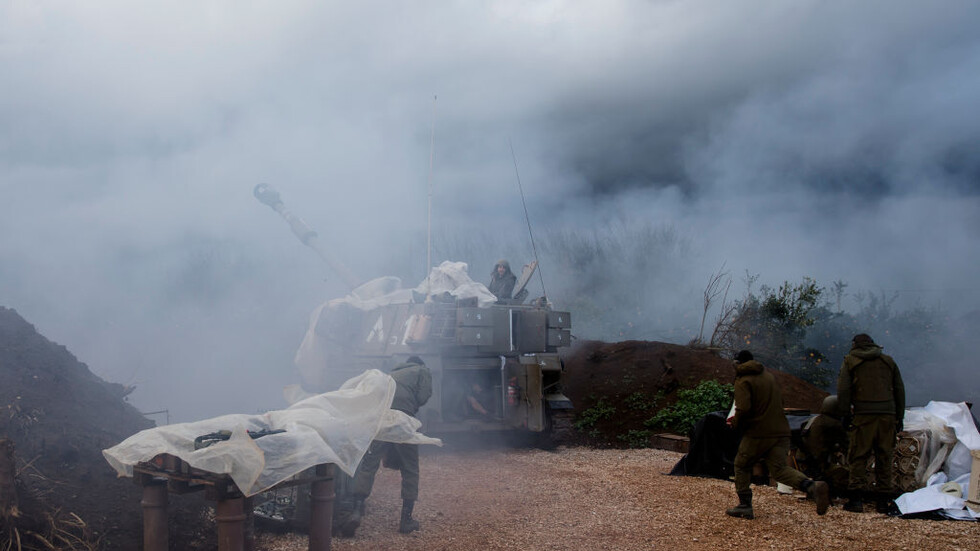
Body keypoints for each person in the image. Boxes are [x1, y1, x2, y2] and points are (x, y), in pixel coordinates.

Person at [726, 350, 829, 519]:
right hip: (781, 430)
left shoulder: (743, 380)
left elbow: (743, 408)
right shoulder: (768, 377)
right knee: (779, 469)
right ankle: (811, 486)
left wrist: (735, 423)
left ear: (737, 364)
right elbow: (780, 402)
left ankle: (745, 505)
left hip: (758, 432)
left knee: (742, 465)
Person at [344, 356, 433, 535]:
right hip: (401, 419)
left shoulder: (392, 373)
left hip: (381, 419)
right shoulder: (422, 370)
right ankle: (406, 520)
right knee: (410, 469)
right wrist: (411, 406)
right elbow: (424, 396)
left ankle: (356, 511)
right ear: (419, 363)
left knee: (369, 465)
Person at [836, 333, 905, 513]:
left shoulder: (850, 361)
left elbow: (843, 389)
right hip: (887, 416)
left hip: (863, 415)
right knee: (885, 456)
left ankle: (856, 500)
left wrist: (844, 414)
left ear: (855, 345)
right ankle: (882, 501)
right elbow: (899, 390)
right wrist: (899, 416)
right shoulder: (888, 361)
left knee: (858, 455)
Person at [797, 395, 849, 497]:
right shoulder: (834, 424)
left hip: (803, 461)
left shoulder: (814, 419)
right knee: (847, 473)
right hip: (818, 463)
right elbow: (847, 443)